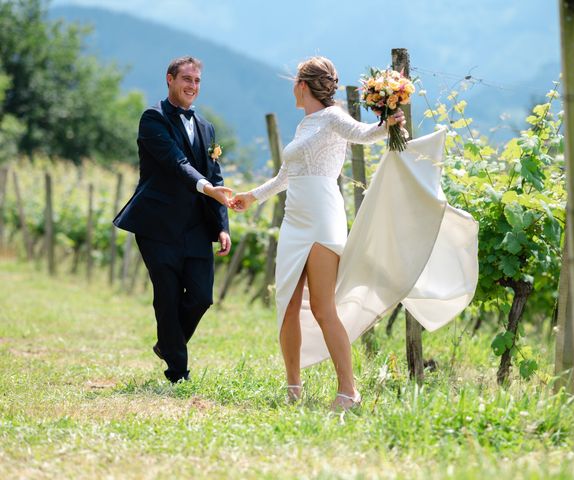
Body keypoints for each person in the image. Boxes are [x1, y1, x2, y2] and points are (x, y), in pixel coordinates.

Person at [231, 56, 406, 410]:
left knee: (324, 308)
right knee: (288, 304)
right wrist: (252, 196)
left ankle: (349, 392)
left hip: (323, 218)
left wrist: (387, 123)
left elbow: (362, 134)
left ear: (302, 85)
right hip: (294, 220)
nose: (292, 87)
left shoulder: (334, 117)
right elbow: (285, 176)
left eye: (294, 81)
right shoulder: (304, 125)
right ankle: (292, 387)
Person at [114, 56, 232, 383]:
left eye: (197, 81)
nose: (192, 86)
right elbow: (176, 163)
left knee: (201, 297)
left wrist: (222, 225)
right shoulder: (152, 118)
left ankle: (167, 342)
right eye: (186, 79)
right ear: (170, 79)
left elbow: (217, 178)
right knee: (167, 298)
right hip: (157, 226)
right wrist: (207, 187)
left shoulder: (207, 127)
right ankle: (178, 374)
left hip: (196, 227)